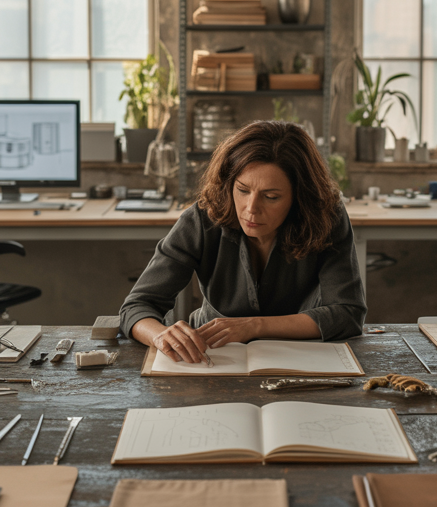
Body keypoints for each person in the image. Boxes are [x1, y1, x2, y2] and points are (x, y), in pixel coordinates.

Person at [119, 120, 366, 363]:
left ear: (299, 198)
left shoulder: (325, 217)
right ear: (229, 184)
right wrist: (161, 335)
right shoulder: (201, 219)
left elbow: (348, 313)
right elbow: (136, 307)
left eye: (271, 196)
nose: (251, 209)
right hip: (208, 355)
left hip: (298, 355)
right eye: (243, 190)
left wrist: (253, 326)